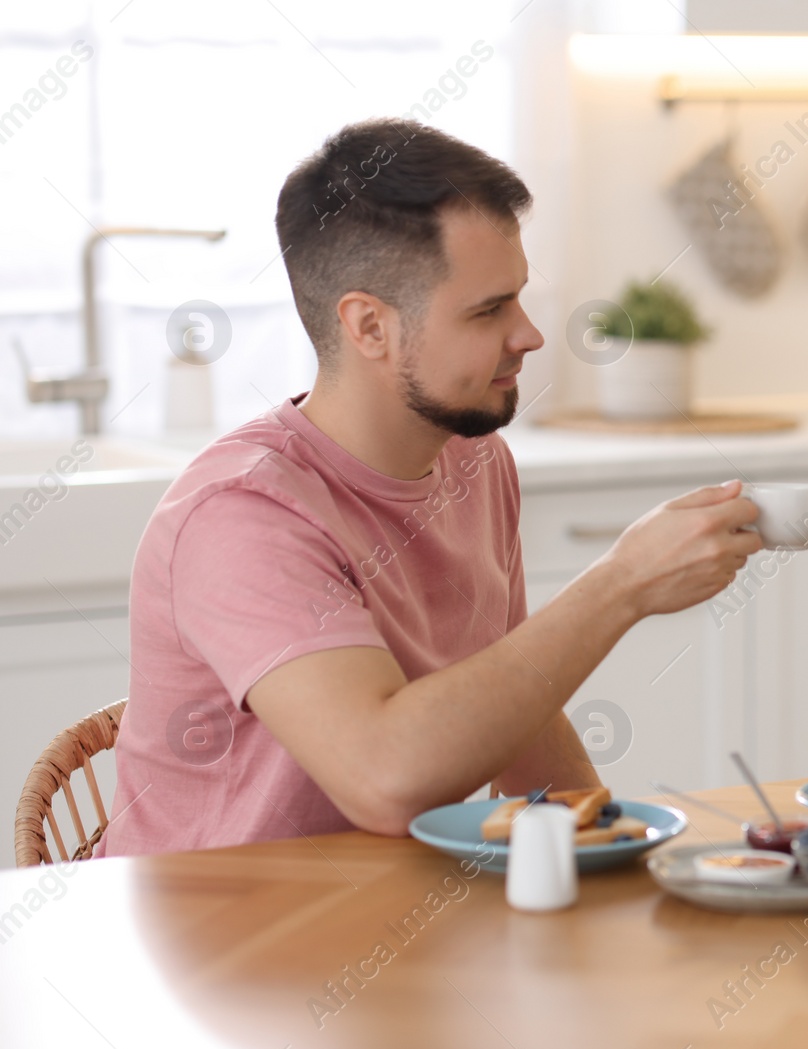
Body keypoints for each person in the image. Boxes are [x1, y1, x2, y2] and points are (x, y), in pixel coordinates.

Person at [101, 119, 761, 856]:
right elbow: (384, 778)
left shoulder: (474, 460)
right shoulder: (243, 515)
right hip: (212, 945)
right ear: (370, 326)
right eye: (488, 310)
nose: (531, 334)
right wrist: (624, 582)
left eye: (518, 298)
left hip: (386, 918)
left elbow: (519, 711)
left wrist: (617, 855)